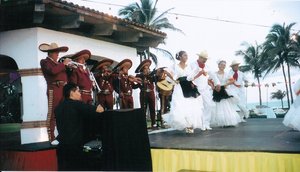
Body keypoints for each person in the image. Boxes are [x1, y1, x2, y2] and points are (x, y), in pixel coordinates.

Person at [55, 83, 104, 170]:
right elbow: (99, 110)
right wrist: (100, 106)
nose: (80, 93)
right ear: (71, 93)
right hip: (75, 148)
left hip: (61, 148)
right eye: (78, 91)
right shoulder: (77, 105)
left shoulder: (58, 107)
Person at [163, 51, 204, 133]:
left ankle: (190, 125)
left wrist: (193, 80)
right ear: (180, 57)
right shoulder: (175, 66)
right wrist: (174, 79)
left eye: (187, 55)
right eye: (185, 55)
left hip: (188, 86)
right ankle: (185, 124)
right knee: (180, 104)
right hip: (179, 87)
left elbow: (192, 75)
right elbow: (167, 72)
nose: (186, 57)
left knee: (190, 105)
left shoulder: (189, 66)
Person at [39, 42, 71, 141]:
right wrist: (63, 64)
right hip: (53, 88)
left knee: (62, 113)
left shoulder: (58, 64)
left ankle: (62, 136)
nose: (58, 54)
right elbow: (52, 71)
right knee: (52, 113)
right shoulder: (45, 62)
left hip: (62, 89)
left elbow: (64, 75)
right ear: (50, 53)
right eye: (56, 52)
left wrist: (69, 68)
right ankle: (51, 137)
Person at [190, 50, 220, 130]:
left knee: (209, 105)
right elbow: (190, 76)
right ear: (199, 57)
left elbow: (213, 75)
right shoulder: (192, 65)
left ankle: (206, 123)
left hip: (206, 89)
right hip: (196, 89)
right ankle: (201, 124)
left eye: (206, 59)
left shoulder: (207, 67)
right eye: (204, 58)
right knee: (199, 107)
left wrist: (217, 83)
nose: (205, 60)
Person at [210, 59, 241, 127]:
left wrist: (226, 83)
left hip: (224, 90)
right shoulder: (214, 74)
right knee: (218, 106)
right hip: (217, 91)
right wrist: (212, 86)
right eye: (221, 65)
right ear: (218, 65)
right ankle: (221, 122)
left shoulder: (227, 74)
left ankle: (228, 121)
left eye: (224, 65)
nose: (223, 66)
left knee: (226, 105)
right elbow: (209, 80)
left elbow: (233, 80)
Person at [135, 59, 158, 128]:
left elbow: (156, 80)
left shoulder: (151, 76)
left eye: (148, 68)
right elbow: (135, 86)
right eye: (145, 68)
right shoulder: (139, 76)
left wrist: (154, 75)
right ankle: (143, 124)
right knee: (143, 109)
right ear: (142, 70)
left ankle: (153, 123)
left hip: (151, 93)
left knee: (152, 108)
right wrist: (141, 82)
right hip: (143, 93)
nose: (147, 70)